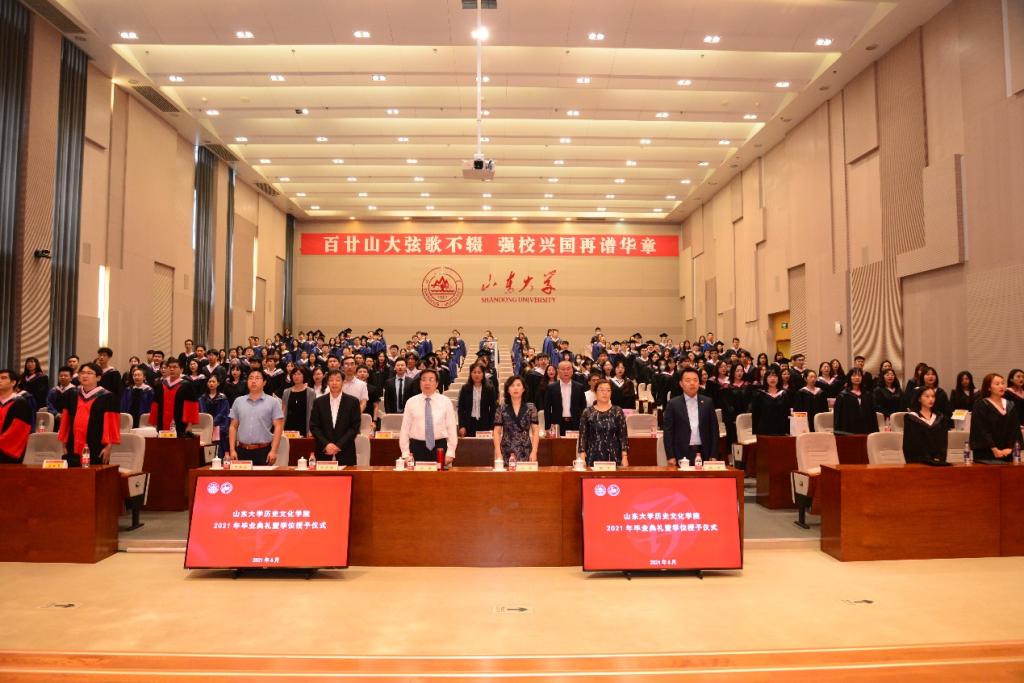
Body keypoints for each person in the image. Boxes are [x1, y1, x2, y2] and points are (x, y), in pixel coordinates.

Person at [57, 363, 121, 467]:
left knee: (93, 474)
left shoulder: (108, 397)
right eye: (82, 373)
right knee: (72, 474)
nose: (85, 375)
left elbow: (111, 423)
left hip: (96, 445)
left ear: (98, 377)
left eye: (89, 373)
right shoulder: (71, 394)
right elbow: (65, 420)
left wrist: (108, 446)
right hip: (73, 443)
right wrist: (64, 442)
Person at [662, 367, 719, 466]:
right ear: (681, 384)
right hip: (681, 453)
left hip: (704, 452)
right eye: (688, 380)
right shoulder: (673, 404)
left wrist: (713, 454)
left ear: (699, 383)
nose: (692, 383)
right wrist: (670, 456)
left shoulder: (708, 402)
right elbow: (668, 432)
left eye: (695, 380)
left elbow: (714, 430)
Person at [399, 368, 457, 464]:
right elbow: (405, 429)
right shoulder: (411, 402)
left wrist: (451, 452)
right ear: (420, 383)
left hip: (440, 447)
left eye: (431, 379)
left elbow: (451, 429)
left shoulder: (446, 402)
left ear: (437, 383)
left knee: (440, 474)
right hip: (416, 447)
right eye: (424, 379)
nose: (427, 383)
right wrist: (405, 453)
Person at [227, 369, 284, 466]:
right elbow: (233, 426)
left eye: (257, 378)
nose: (253, 381)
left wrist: (274, 450)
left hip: (263, 451)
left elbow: (278, 427)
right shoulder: (238, 401)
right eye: (251, 378)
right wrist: (232, 450)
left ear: (264, 382)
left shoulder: (273, 402)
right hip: (241, 451)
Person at [308, 369, 362, 465]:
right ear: (327, 382)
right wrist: (326, 444)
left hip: (346, 451)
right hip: (324, 451)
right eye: (331, 380)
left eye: (337, 380)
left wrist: (339, 445)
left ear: (343, 382)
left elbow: (354, 427)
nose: (334, 383)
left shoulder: (353, 402)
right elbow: (314, 426)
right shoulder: (318, 402)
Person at [969, 373, 1022, 463]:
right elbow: (981, 429)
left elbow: (1015, 428)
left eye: (1003, 383)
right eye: (997, 384)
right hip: (986, 453)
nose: (1001, 386)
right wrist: (994, 449)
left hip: (1007, 453)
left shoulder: (1010, 404)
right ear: (988, 388)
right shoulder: (981, 404)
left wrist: (1010, 448)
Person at [577, 379, 629, 467]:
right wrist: (582, 455)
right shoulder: (587, 412)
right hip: (592, 455)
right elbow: (583, 435)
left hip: (614, 455)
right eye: (601, 390)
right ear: (595, 392)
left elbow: (623, 435)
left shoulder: (617, 411)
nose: (605, 393)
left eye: (608, 390)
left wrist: (625, 456)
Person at [493, 376, 539, 465]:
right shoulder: (501, 408)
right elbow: (496, 432)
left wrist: (534, 452)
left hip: (526, 451)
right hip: (506, 451)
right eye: (512, 385)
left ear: (523, 389)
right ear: (508, 390)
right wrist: (498, 453)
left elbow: (535, 431)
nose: (515, 388)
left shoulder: (531, 408)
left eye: (518, 385)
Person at [148, 358, 200, 436]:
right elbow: (155, 404)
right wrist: (155, 423)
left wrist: (189, 425)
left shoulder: (187, 385)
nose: (172, 369)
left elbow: (191, 406)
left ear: (181, 370)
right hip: (162, 425)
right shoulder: (161, 385)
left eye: (175, 367)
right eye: (169, 367)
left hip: (180, 425)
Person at [902, 387, 949, 465]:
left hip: (937, 461)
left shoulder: (940, 418)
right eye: (927, 396)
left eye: (933, 396)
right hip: (918, 461)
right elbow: (909, 443)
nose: (931, 399)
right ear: (919, 399)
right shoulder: (911, 418)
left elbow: (943, 442)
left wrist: (939, 458)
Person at [545, 360, 587, 435]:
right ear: (558, 371)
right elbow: (547, 408)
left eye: (568, 369)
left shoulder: (579, 387)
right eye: (563, 369)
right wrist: (547, 427)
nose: (566, 371)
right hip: (557, 424)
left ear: (572, 371)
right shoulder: (551, 387)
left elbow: (583, 407)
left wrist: (583, 424)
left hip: (575, 423)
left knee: (575, 443)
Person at [0, 369, 33, 464]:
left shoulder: (21, 404)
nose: (0, 380)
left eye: (3, 378)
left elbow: (17, 431)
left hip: (7, 454)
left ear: (13, 382)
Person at [833, 368, 878, 435]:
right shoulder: (843, 395)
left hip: (866, 429)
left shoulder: (867, 394)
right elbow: (838, 417)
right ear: (849, 378)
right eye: (854, 375)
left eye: (859, 375)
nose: (857, 377)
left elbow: (872, 415)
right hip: (849, 429)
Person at [457, 364, 497, 437]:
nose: (476, 375)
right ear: (470, 374)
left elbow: (493, 409)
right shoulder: (465, 388)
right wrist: (462, 426)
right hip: (469, 423)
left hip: (485, 423)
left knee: (483, 444)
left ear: (483, 374)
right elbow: (461, 409)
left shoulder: (489, 389)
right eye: (474, 372)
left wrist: (492, 427)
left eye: (479, 372)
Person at [750, 368, 789, 435]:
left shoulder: (783, 394)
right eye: (770, 376)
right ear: (766, 379)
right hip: (764, 430)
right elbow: (755, 414)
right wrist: (755, 432)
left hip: (780, 430)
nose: (773, 379)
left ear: (779, 378)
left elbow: (786, 414)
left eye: (775, 376)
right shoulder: (760, 394)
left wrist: (787, 431)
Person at [198, 375, 230, 457]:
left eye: (213, 381)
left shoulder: (222, 398)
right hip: (206, 427)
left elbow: (223, 413)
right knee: (205, 452)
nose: (211, 383)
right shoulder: (202, 398)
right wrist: (208, 424)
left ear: (218, 383)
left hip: (219, 428)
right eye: (209, 381)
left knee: (218, 452)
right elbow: (202, 412)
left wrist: (213, 423)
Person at [281, 366, 315, 437]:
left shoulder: (310, 392)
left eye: (299, 374)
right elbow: (283, 412)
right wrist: (281, 429)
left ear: (304, 376)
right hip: (289, 427)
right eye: (294, 374)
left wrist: (310, 430)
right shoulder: (286, 392)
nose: (296, 376)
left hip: (304, 426)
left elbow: (312, 413)